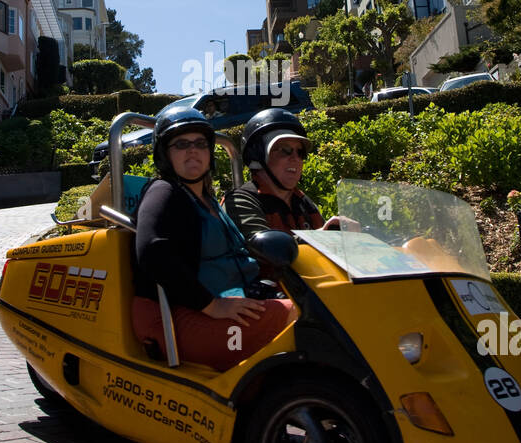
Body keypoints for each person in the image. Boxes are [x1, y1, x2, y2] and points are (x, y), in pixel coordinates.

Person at [132, 108, 295, 371]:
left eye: (200, 144)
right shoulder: (164, 191)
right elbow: (153, 250)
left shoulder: (208, 199)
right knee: (301, 317)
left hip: (228, 301)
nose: (193, 151)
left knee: (321, 301)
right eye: (181, 144)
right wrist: (211, 305)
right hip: (178, 316)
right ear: (165, 154)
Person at [222, 109, 355, 280]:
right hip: (267, 296)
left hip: (310, 292)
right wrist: (322, 239)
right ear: (258, 155)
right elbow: (264, 250)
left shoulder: (302, 202)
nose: (295, 158)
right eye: (284, 150)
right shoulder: (240, 201)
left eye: (300, 152)